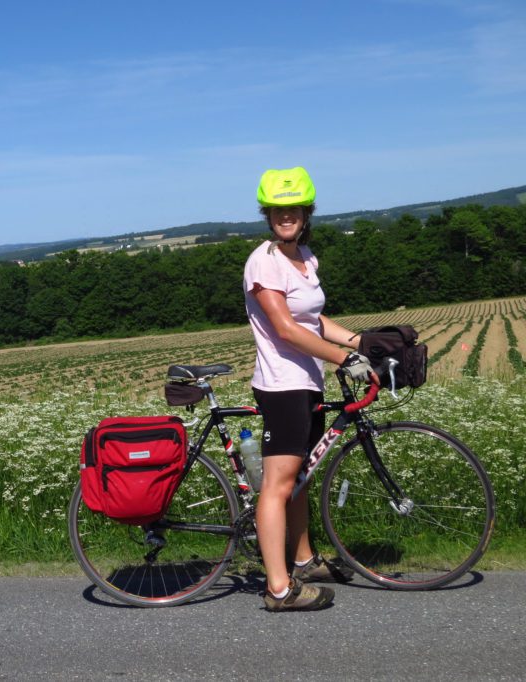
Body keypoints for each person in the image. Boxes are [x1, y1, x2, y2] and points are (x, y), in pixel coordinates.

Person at [242, 167, 376, 611]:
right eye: (278, 210)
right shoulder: (265, 261)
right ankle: (279, 589)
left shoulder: (304, 256)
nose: (286, 216)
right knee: (278, 486)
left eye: (294, 209)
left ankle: (303, 561)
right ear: (268, 215)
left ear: (306, 214)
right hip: (282, 385)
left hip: (307, 381)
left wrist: (360, 343)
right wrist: (344, 359)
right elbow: (285, 328)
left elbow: (312, 320)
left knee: (300, 478)